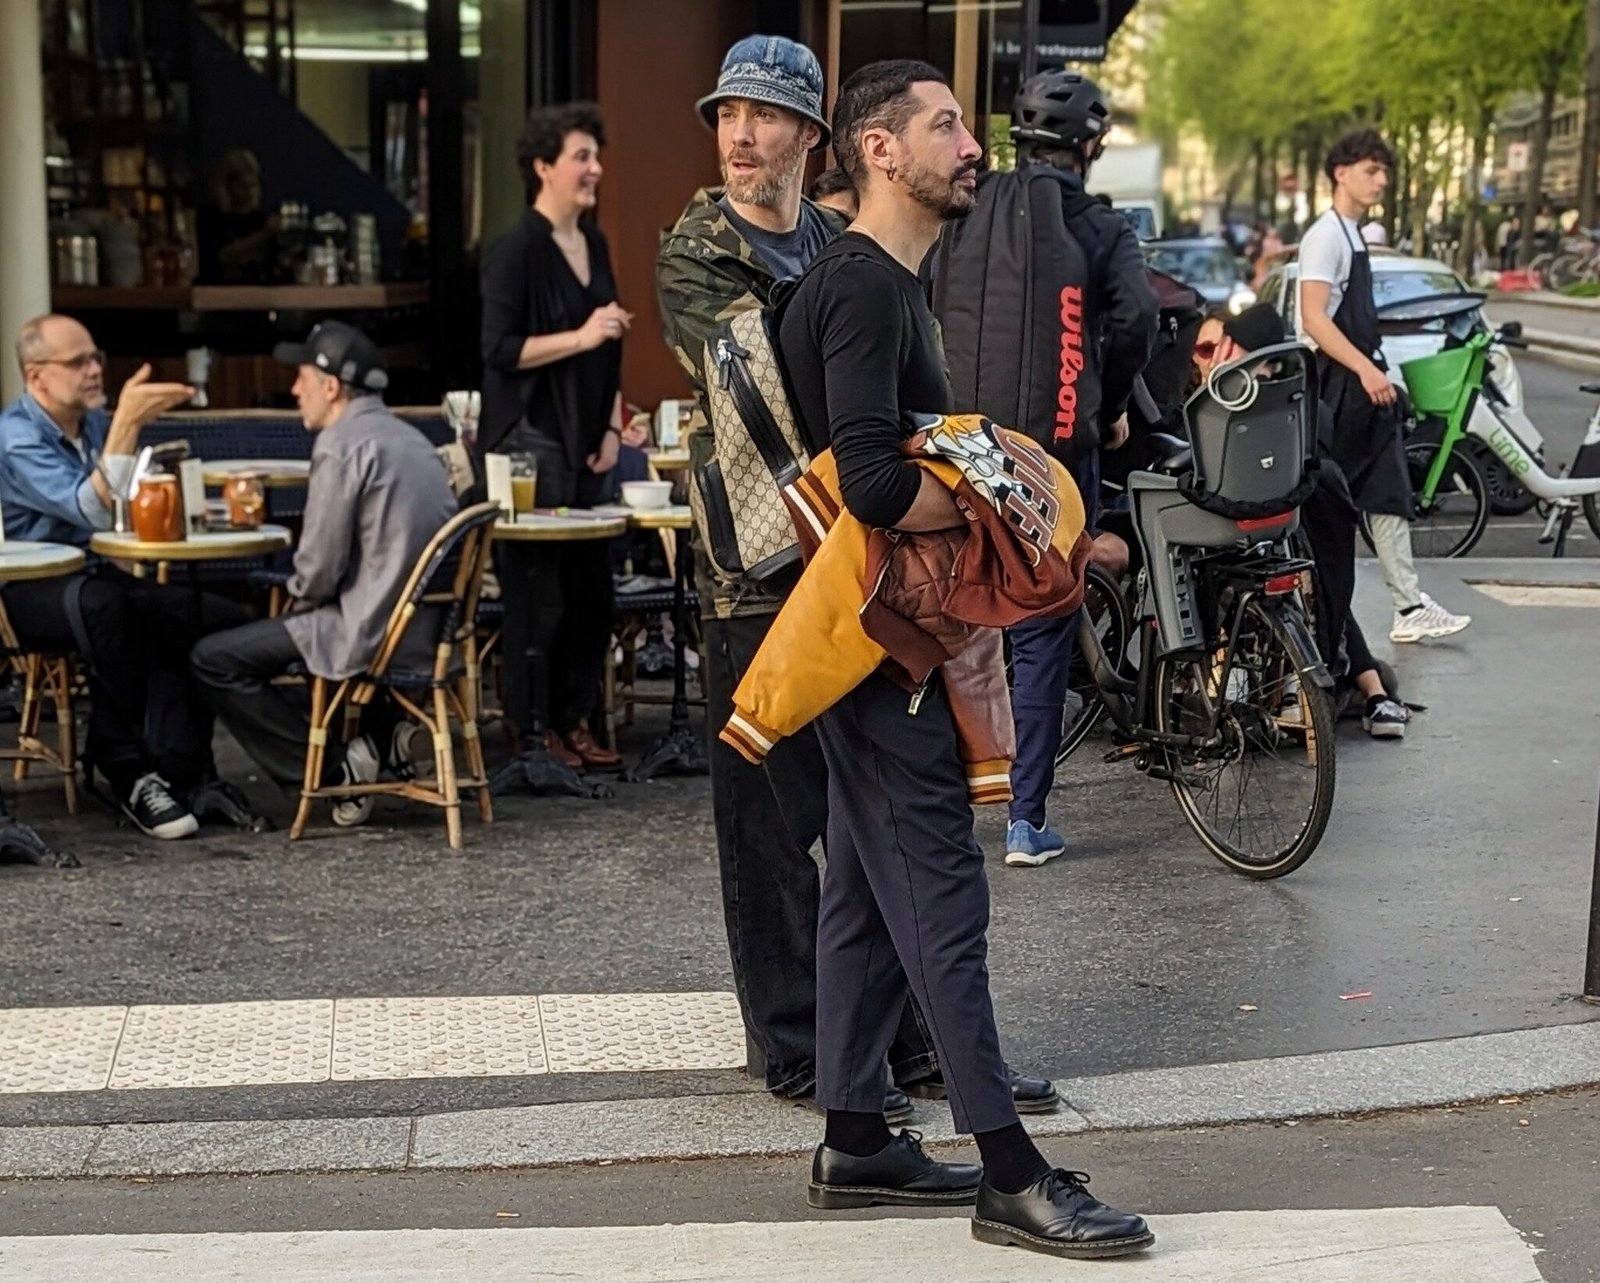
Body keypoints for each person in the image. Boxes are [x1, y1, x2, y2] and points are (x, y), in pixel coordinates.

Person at [778, 58, 1151, 1260]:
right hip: (884, 641)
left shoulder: (881, 280)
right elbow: (879, 483)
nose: (971, 145)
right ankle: (1009, 1168)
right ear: (880, 150)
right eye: (945, 126)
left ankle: (855, 1136)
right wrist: (1016, 502)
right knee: (940, 887)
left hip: (869, 633)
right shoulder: (864, 288)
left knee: (864, 894)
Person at [656, 35, 1056, 1120]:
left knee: (868, 834)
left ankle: (902, 1056)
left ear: (811, 138)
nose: (742, 136)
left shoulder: (840, 242)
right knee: (778, 822)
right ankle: (800, 1051)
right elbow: (778, 398)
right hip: (763, 563)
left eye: (766, 117)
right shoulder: (700, 248)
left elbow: (870, 395)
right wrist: (906, 484)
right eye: (728, 115)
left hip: (852, 558)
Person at [935, 69, 1156, 869]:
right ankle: (1025, 820)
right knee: (1040, 625)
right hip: (1056, 457)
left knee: (951, 616)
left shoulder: (965, 208)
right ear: (1089, 146)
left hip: (960, 447)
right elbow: (1136, 318)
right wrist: (1104, 396)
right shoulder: (1099, 226)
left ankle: (940, 802)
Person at [0, 315, 254, 838]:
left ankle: (186, 770)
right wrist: (127, 427)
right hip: (26, 589)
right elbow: (89, 509)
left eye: (96, 358)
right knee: (110, 610)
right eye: (77, 362)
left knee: (202, 614)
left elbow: (124, 512)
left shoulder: (94, 424)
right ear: (36, 376)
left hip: (95, 574)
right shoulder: (14, 437)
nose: (95, 370)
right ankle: (127, 768)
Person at [191, 322, 459, 811]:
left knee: (213, 659)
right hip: (426, 632)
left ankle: (333, 772)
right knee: (275, 631)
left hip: (370, 631)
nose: (294, 390)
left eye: (302, 379)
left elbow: (318, 569)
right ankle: (375, 743)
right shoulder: (412, 439)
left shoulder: (341, 444)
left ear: (331, 387)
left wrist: (295, 599)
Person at [480, 102, 631, 769]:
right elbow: (499, 350)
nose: (595, 169)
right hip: (530, 442)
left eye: (596, 157)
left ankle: (572, 720)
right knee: (536, 595)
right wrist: (582, 334)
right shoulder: (516, 250)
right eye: (581, 157)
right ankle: (529, 727)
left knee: (592, 590)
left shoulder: (593, 243)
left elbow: (612, 341)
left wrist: (608, 424)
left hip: (584, 437)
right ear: (543, 167)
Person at [1196, 305, 1409, 738]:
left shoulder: (1246, 404)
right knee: (1318, 586)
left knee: (1291, 577)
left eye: (1213, 346)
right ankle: (1373, 693)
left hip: (1266, 536)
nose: (1206, 357)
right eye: (1202, 348)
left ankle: (1351, 691)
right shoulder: (1280, 403)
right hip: (1277, 537)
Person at [1296, 129, 1470, 645]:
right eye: (1372, 170)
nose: (1381, 181)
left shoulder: (1350, 234)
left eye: (1384, 172)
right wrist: (1367, 370)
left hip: (1352, 381)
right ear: (1340, 173)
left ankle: (1407, 604)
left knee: (1382, 489)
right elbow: (1313, 317)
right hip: (1339, 384)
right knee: (1338, 501)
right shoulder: (1326, 237)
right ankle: (1351, 610)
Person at [197, 150, 279, 284]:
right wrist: (263, 235)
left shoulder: (261, 220)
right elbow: (221, 256)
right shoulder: (211, 218)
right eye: (243, 186)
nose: (250, 192)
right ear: (228, 187)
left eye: (253, 185)